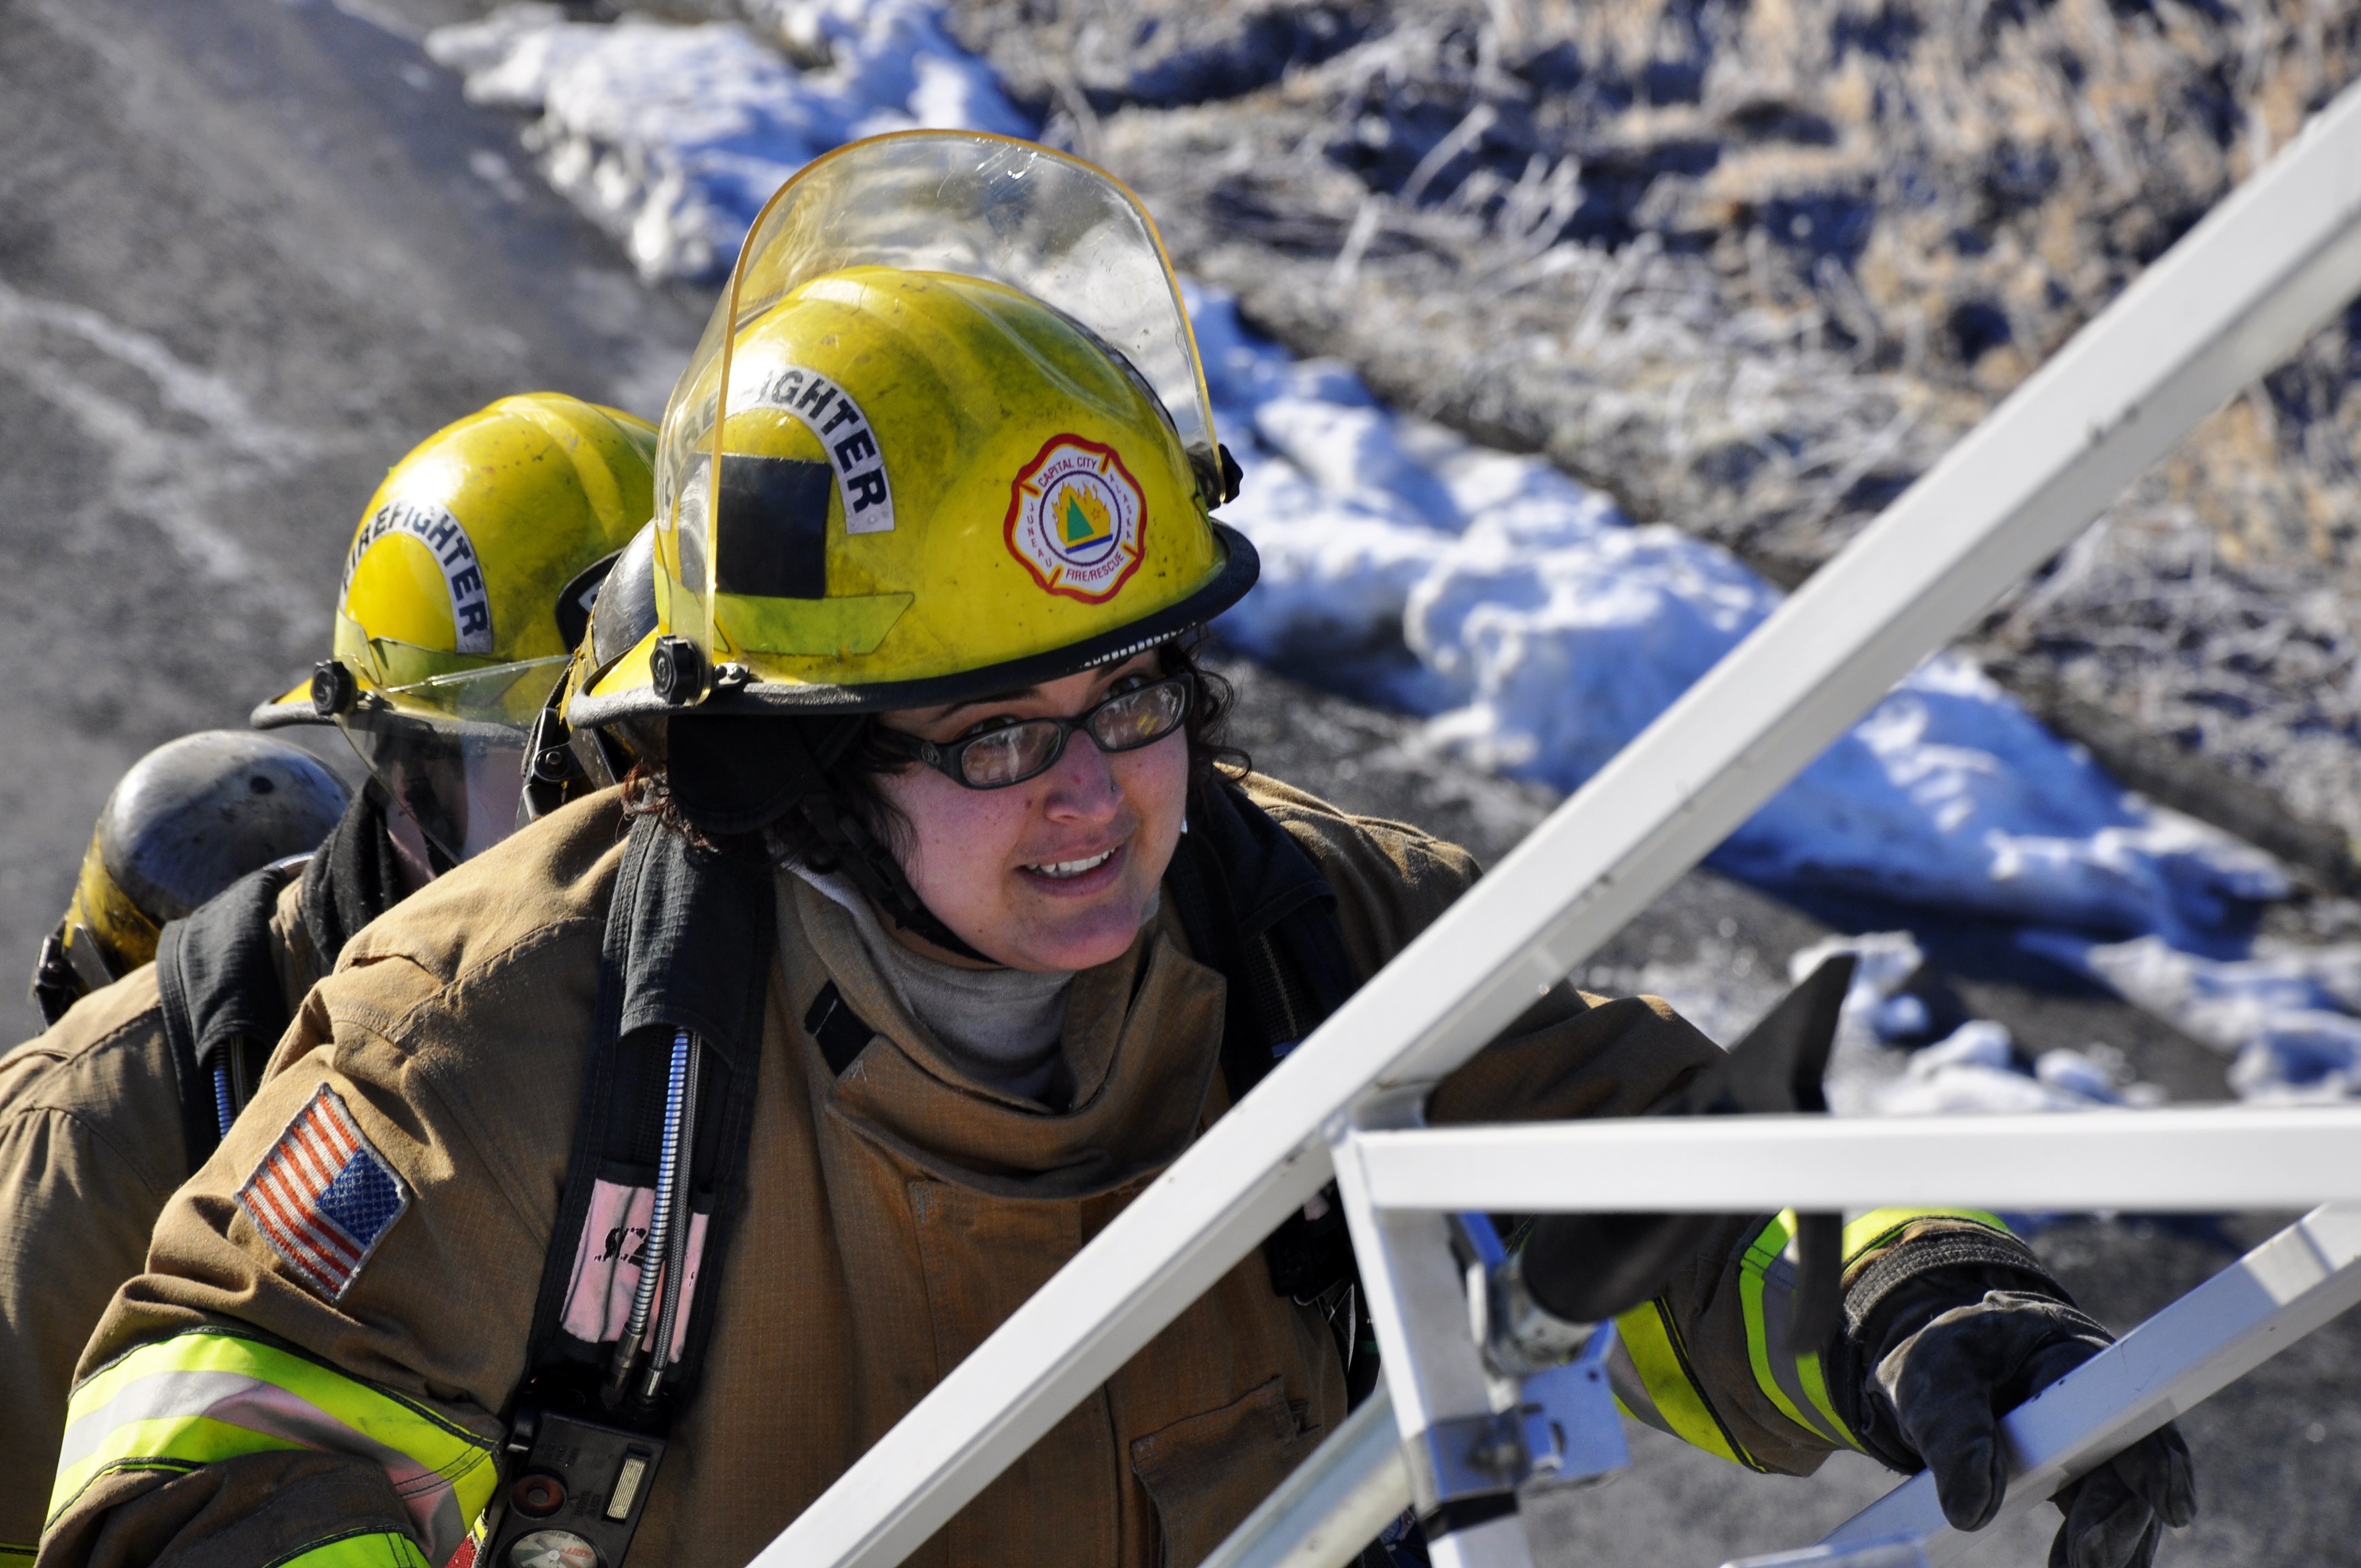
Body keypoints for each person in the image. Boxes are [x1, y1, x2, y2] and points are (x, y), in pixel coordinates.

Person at [37, 135, 2191, 1568]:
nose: (1097, 795)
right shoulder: (522, 1033)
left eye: (1135, 696)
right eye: (988, 733)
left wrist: (1915, 1284)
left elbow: (1664, 1168)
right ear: (787, 764)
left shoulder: (1304, 929)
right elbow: (211, 1447)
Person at [2, 391, 653, 1567]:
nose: (605, 826)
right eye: (542, 770)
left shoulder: (738, 1044)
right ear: (401, 776)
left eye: (649, 754)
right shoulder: (90, 1138)